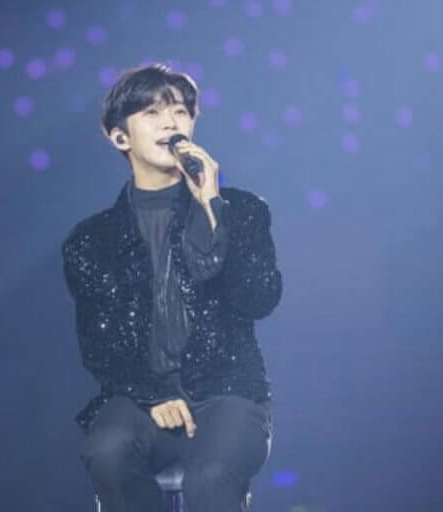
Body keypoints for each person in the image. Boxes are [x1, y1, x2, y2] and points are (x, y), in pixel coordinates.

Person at [61, 63, 283, 512]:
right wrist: (153, 394)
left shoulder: (242, 210)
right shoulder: (91, 240)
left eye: (180, 111)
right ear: (119, 137)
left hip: (228, 392)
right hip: (139, 394)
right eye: (152, 112)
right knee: (107, 453)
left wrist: (213, 208)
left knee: (211, 477)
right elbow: (99, 344)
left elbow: (259, 298)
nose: (170, 123)